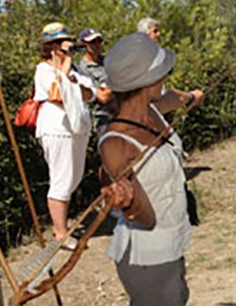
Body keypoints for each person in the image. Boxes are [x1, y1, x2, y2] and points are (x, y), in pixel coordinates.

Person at [99, 33, 204, 306]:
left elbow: (177, 98)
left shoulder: (152, 109)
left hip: (172, 244)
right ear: (146, 83)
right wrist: (128, 201)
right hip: (147, 258)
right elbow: (144, 218)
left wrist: (193, 97)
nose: (166, 76)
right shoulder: (115, 143)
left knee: (180, 298)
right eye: (161, 73)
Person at [34, 23, 97, 249]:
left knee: (72, 178)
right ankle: (60, 233)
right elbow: (56, 94)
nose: (65, 46)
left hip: (77, 128)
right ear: (51, 47)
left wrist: (74, 84)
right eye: (61, 43)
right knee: (61, 178)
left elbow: (91, 93)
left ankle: (61, 226)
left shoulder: (77, 72)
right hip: (57, 129)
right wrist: (66, 70)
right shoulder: (43, 70)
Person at [77, 28, 113, 133]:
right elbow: (102, 96)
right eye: (92, 42)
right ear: (83, 45)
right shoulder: (82, 69)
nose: (97, 44)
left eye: (99, 40)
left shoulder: (109, 60)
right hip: (104, 119)